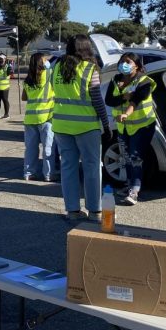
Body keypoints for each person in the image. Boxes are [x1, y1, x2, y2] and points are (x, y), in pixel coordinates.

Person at [51, 34, 112, 221]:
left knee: (68, 168)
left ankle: (72, 211)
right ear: (87, 48)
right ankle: (95, 211)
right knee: (92, 167)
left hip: (61, 125)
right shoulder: (90, 69)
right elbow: (97, 100)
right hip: (86, 126)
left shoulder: (56, 67)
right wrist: (106, 123)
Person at [105, 52, 156, 205]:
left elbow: (136, 101)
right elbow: (109, 100)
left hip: (142, 126)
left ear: (137, 66)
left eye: (128, 62)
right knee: (126, 157)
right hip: (123, 127)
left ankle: (135, 190)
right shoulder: (116, 80)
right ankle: (128, 185)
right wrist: (123, 97)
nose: (123, 64)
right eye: (122, 61)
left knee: (135, 157)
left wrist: (126, 113)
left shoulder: (144, 81)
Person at [22, 52, 58, 182]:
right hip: (46, 117)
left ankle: (28, 173)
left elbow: (24, 97)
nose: (47, 61)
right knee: (48, 148)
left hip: (30, 118)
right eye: (45, 59)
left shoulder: (27, 80)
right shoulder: (49, 75)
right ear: (41, 62)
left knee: (31, 148)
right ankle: (48, 174)